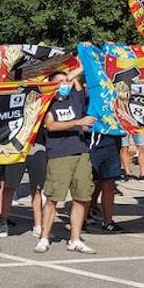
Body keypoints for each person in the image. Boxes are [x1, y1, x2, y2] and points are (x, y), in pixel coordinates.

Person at [35, 70, 97, 255]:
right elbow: (50, 126)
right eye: (60, 82)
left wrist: (83, 50)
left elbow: (77, 71)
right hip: (59, 154)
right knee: (53, 198)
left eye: (66, 81)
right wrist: (77, 122)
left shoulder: (76, 97)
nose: (65, 84)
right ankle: (44, 237)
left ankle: (75, 239)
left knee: (82, 197)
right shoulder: (48, 102)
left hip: (81, 152)